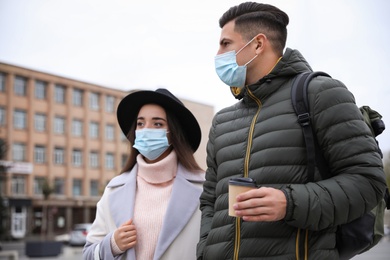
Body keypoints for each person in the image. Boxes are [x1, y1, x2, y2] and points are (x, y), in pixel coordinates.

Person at [197, 2, 387, 260]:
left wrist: (289, 203)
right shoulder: (223, 121)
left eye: (225, 44)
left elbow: (368, 182)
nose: (218, 53)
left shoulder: (320, 93)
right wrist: (206, 249)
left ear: (257, 44)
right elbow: (210, 201)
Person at [83, 88, 205, 260]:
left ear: (174, 133)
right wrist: (112, 245)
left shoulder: (205, 188)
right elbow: (87, 254)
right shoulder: (114, 189)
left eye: (157, 124)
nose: (146, 129)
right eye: (140, 123)